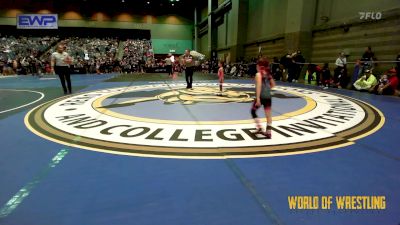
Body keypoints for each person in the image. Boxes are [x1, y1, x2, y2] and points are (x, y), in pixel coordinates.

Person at [251, 57, 275, 139]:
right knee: (268, 116)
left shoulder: (258, 74)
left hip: (261, 97)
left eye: (257, 65)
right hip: (268, 97)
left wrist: (258, 98)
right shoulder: (268, 74)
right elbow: (273, 85)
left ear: (259, 65)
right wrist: (267, 89)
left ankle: (259, 127)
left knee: (253, 111)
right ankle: (268, 132)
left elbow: (258, 86)